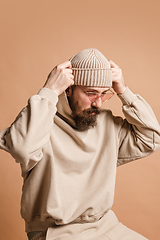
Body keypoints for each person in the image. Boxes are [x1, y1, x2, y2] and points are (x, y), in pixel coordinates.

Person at [0, 48, 160, 240]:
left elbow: (152, 139)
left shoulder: (107, 124)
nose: (98, 103)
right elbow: (22, 148)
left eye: (104, 94)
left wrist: (124, 92)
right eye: (91, 93)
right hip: (55, 231)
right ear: (68, 89)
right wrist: (49, 91)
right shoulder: (39, 121)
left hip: (105, 225)